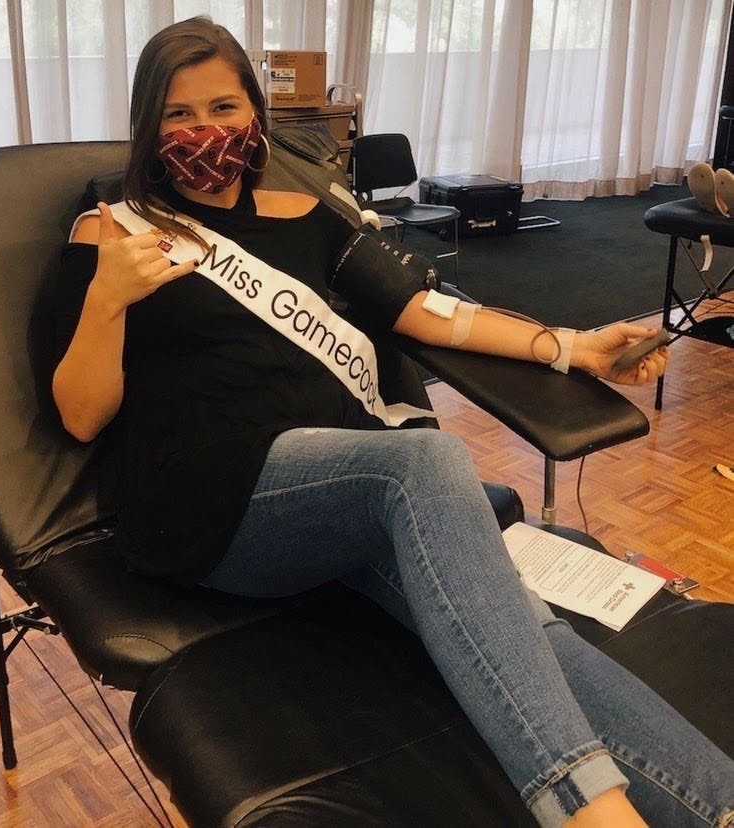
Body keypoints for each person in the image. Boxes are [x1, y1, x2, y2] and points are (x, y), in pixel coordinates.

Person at [52, 17, 733, 828]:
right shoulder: (112, 229)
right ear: (146, 127)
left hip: (343, 491)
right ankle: (588, 812)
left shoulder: (306, 212)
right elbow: (82, 416)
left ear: (256, 118)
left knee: (525, 631)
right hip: (209, 499)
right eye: (179, 115)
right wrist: (104, 300)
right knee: (422, 462)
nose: (206, 133)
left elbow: (427, 311)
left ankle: (717, 804)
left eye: (224, 108)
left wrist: (575, 349)